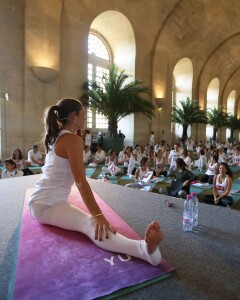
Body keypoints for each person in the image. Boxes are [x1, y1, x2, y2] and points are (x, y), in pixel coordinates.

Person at [28, 98, 163, 266]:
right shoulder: (72, 140)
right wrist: (98, 216)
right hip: (46, 204)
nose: (85, 117)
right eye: (83, 113)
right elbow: (80, 181)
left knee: (91, 221)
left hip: (44, 200)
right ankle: (144, 251)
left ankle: (145, 250)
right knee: (91, 224)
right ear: (74, 116)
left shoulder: (59, 136)